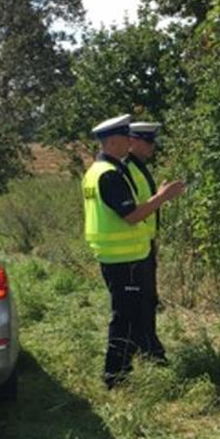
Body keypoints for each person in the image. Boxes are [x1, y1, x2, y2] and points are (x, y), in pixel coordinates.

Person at [83, 114, 185, 388]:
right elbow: (131, 215)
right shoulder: (109, 175)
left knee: (132, 314)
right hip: (123, 258)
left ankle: (136, 364)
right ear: (113, 141)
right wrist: (163, 197)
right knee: (124, 319)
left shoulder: (99, 170)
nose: (131, 142)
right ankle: (115, 377)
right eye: (127, 138)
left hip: (122, 255)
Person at [126, 121, 165, 363]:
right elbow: (132, 211)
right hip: (132, 247)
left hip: (144, 243)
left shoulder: (138, 167)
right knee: (141, 301)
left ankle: (146, 349)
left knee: (148, 300)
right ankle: (148, 352)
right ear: (133, 141)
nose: (153, 147)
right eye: (148, 142)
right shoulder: (127, 168)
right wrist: (161, 198)